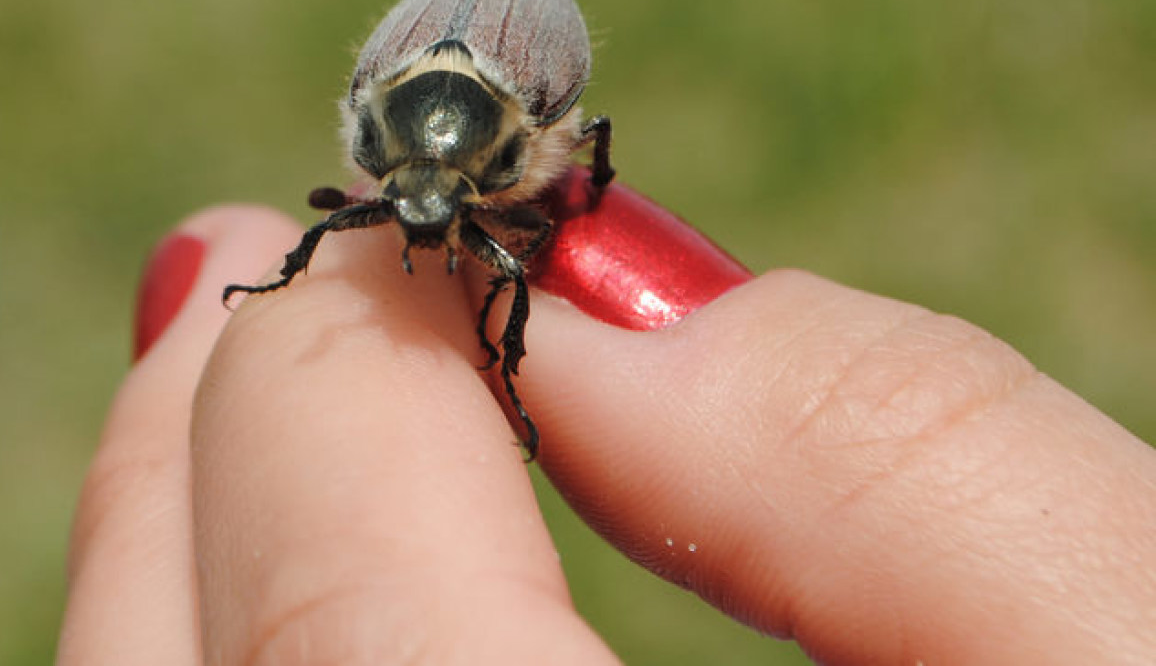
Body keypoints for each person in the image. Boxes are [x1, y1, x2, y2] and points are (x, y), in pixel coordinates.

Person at [56, 187, 1156, 665]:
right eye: (407, 200)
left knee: (516, 269)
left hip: (504, 94)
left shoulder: (501, 181)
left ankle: (519, 343)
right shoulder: (385, 191)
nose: (423, 223)